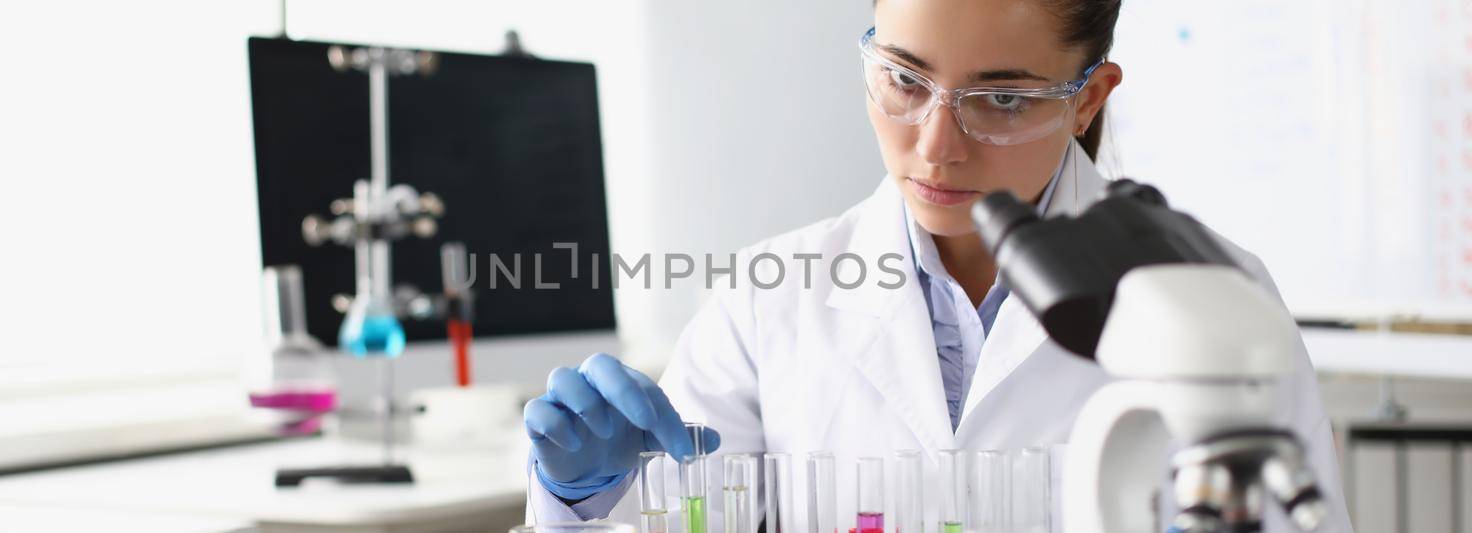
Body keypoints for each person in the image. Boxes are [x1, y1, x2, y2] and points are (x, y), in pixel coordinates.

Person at [522, 0, 1355, 530]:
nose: (935, 145)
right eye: (904, 79)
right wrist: (580, 503)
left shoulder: (1211, 305)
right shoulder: (767, 297)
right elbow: (673, 519)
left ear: (1089, 97)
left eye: (1001, 99)